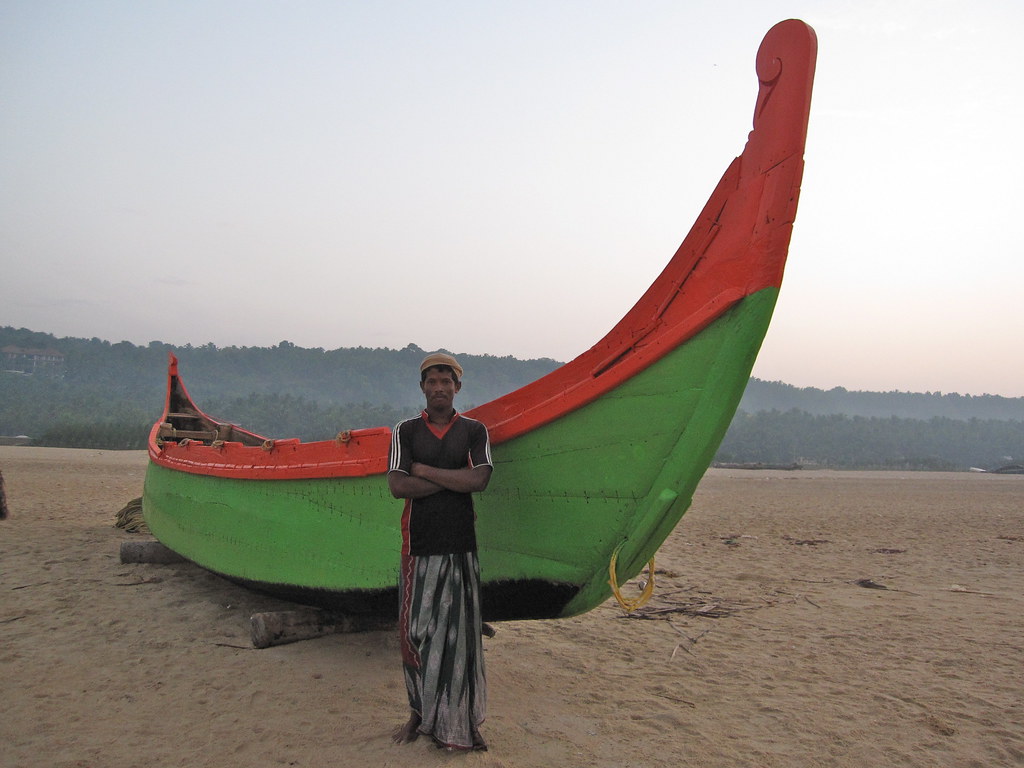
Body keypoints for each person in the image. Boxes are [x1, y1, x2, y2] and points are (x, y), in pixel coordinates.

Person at [387, 352, 493, 751]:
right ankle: (418, 713)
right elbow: (397, 486)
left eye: (446, 381)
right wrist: (456, 480)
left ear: (457, 388)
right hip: (418, 545)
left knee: (463, 639)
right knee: (416, 633)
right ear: (422, 388)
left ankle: (466, 720)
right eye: (431, 381)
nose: (439, 388)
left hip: (461, 545)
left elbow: (480, 479)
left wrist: (427, 472)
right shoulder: (406, 431)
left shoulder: (473, 430)